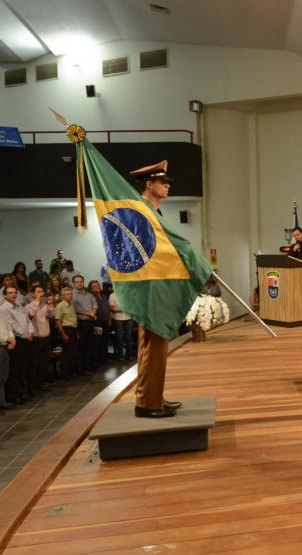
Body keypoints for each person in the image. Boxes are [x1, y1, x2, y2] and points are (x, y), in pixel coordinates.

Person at [128, 160, 183, 417]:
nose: (167, 186)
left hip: (158, 285)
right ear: (149, 184)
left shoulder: (153, 211)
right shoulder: (143, 212)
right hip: (150, 287)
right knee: (152, 343)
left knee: (158, 344)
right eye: (163, 183)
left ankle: (154, 396)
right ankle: (147, 403)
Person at [0, 285, 33, 403]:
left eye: (15, 293)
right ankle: (14, 395)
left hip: (26, 339)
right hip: (17, 340)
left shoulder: (20, 306)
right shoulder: (3, 309)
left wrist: (30, 331)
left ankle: (22, 391)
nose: (13, 295)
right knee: (15, 368)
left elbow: (28, 320)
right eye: (10, 293)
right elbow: (12, 325)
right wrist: (25, 334)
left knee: (23, 367)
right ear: (4, 295)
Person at [26, 285, 54, 391]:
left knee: (43, 363)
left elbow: (52, 315)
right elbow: (31, 314)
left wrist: (50, 304)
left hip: (45, 338)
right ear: (33, 294)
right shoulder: (29, 306)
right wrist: (37, 301)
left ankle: (40, 384)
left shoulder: (45, 305)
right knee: (34, 363)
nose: (41, 293)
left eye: (42, 291)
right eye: (38, 292)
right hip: (35, 339)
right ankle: (32, 386)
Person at [71, 275, 97, 372]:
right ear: (73, 283)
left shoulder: (88, 294)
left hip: (90, 321)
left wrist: (93, 311)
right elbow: (75, 308)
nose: (79, 283)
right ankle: (80, 367)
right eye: (77, 282)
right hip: (81, 322)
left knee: (90, 344)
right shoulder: (72, 294)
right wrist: (88, 313)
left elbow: (95, 303)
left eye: (81, 281)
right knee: (81, 345)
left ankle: (88, 365)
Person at [53, 287, 79, 380]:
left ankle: (72, 371)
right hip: (66, 330)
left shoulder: (71, 304)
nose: (70, 295)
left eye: (71, 294)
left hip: (74, 329)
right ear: (63, 296)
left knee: (74, 352)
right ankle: (65, 372)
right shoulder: (60, 306)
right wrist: (63, 334)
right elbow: (57, 321)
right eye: (68, 294)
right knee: (67, 353)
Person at [110, 289, 135, 361]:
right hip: (117, 318)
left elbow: (133, 307)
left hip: (129, 317)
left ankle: (129, 355)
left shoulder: (129, 294)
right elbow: (112, 309)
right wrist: (126, 309)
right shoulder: (112, 295)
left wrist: (121, 309)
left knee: (129, 337)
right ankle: (120, 355)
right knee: (119, 337)